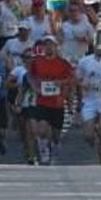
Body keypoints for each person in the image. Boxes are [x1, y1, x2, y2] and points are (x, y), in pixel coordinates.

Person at [27, 36, 75, 166]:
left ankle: (54, 151)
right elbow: (29, 75)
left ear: (56, 46)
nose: (48, 47)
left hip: (57, 103)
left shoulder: (63, 63)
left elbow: (71, 79)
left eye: (51, 44)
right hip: (42, 102)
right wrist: (34, 87)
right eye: (46, 44)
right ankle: (44, 152)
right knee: (42, 130)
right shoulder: (37, 62)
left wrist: (61, 82)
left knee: (56, 135)